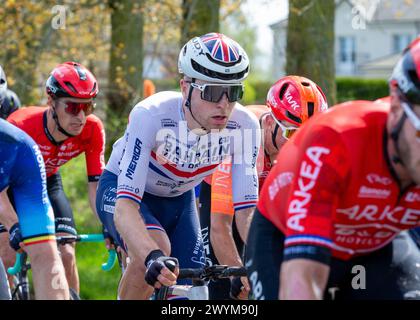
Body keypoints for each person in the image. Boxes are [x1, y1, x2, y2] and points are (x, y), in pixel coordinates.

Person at [245, 37, 420, 300]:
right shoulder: (337, 140)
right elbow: (303, 276)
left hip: (375, 243)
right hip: (283, 234)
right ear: (396, 110)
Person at [95, 32, 261, 299]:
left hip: (179, 200)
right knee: (155, 251)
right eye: (213, 91)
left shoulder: (244, 126)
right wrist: (151, 256)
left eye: (233, 92)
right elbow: (126, 207)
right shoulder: (151, 115)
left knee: (195, 292)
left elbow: (246, 211)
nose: (224, 104)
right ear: (185, 87)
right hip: (123, 192)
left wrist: (258, 262)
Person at [199, 76, 328, 299]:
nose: (302, 143)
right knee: (224, 285)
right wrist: (236, 274)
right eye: (292, 133)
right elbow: (220, 227)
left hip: (260, 187)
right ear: (270, 122)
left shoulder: (303, 149)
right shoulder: (240, 136)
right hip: (209, 185)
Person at [0, 61, 105, 296]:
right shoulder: (19, 127)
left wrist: (110, 224)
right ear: (51, 102)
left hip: (46, 182)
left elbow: (96, 186)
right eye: (72, 107)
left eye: (87, 107)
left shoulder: (92, 129)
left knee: (66, 253)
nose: (81, 116)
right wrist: (13, 225)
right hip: (7, 187)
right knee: (7, 253)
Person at [0, 118, 69, 299]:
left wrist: (17, 227)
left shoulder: (20, 148)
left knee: (46, 255)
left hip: (19, 159)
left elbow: (46, 256)